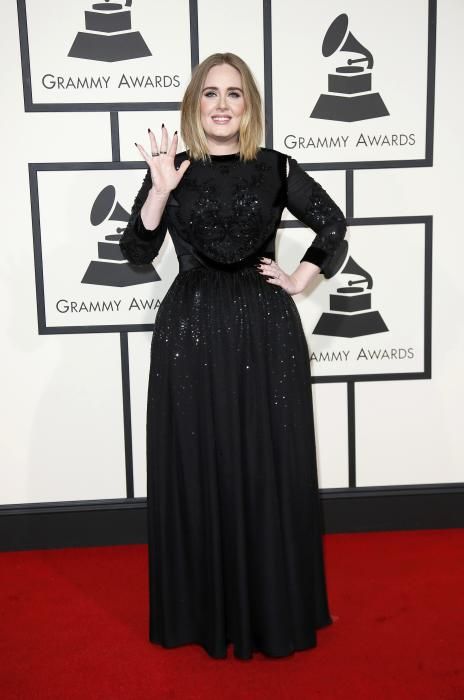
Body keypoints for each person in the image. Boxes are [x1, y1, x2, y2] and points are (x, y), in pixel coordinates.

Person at [119, 52, 347, 661]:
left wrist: (301, 278)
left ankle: (273, 606)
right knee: (197, 459)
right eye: (211, 93)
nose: (222, 104)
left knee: (266, 459)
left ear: (250, 106)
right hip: (189, 329)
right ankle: (201, 607)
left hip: (264, 327)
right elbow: (138, 250)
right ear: (195, 103)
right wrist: (159, 192)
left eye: (235, 94)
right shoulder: (173, 168)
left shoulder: (276, 168)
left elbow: (331, 224)